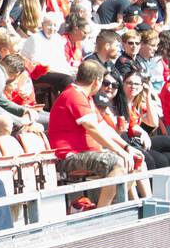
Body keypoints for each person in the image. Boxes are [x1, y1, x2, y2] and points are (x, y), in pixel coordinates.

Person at [47, 60, 133, 207]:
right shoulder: (73, 95)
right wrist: (120, 152)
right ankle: (101, 212)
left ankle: (120, 205)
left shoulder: (86, 97)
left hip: (84, 153)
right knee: (118, 163)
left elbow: (103, 126)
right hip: (68, 156)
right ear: (97, 81)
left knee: (136, 160)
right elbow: (92, 128)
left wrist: (126, 147)